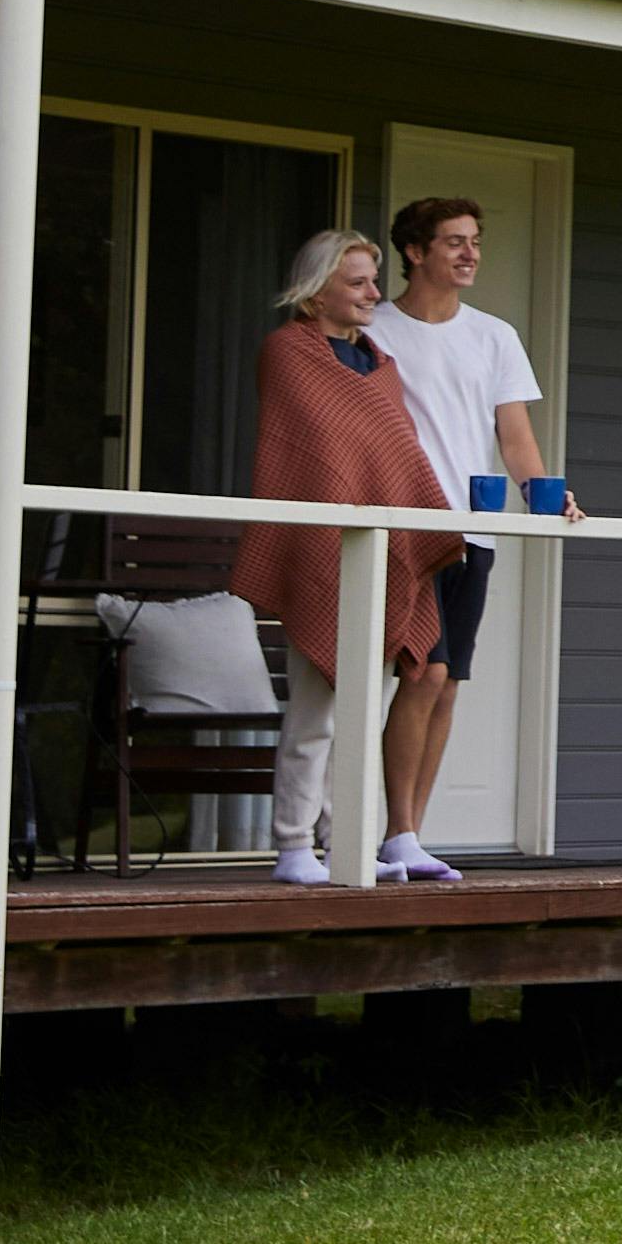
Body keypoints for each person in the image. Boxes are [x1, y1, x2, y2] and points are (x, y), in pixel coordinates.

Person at [232, 224, 467, 887]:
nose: (372, 293)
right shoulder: (289, 353)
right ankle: (291, 846)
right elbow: (321, 460)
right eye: (357, 282)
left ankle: (343, 843)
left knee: (362, 713)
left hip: (382, 559)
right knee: (315, 714)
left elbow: (392, 458)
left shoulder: (378, 363)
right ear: (315, 293)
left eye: (373, 280)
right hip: (323, 556)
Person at [366, 193, 549, 858]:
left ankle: (408, 834)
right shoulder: (375, 332)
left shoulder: (494, 335)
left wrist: (547, 500)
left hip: (475, 532)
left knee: (450, 682)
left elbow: (516, 438)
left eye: (475, 240)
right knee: (425, 674)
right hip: (406, 531)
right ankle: (398, 831)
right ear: (415, 252)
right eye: (453, 241)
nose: (470, 252)